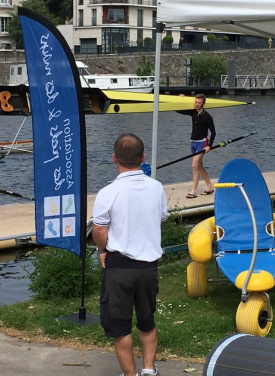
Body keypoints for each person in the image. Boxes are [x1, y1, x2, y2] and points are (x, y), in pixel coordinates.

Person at [92, 133, 167, 376]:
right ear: (143, 158)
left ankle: (130, 374)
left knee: (120, 327)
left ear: (115, 158)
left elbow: (99, 229)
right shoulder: (156, 188)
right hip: (148, 268)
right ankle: (148, 370)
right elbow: (160, 219)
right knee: (147, 321)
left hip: (119, 267)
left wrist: (102, 251)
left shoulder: (108, 192)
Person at [176, 94, 215, 198]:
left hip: (202, 143)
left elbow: (213, 132)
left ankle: (193, 191)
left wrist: (209, 146)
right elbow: (179, 111)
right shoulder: (193, 112)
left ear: (203, 103)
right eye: (196, 102)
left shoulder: (207, 117)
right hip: (193, 142)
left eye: (199, 103)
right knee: (199, 166)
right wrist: (180, 100)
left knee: (194, 166)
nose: (197, 104)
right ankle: (209, 186)